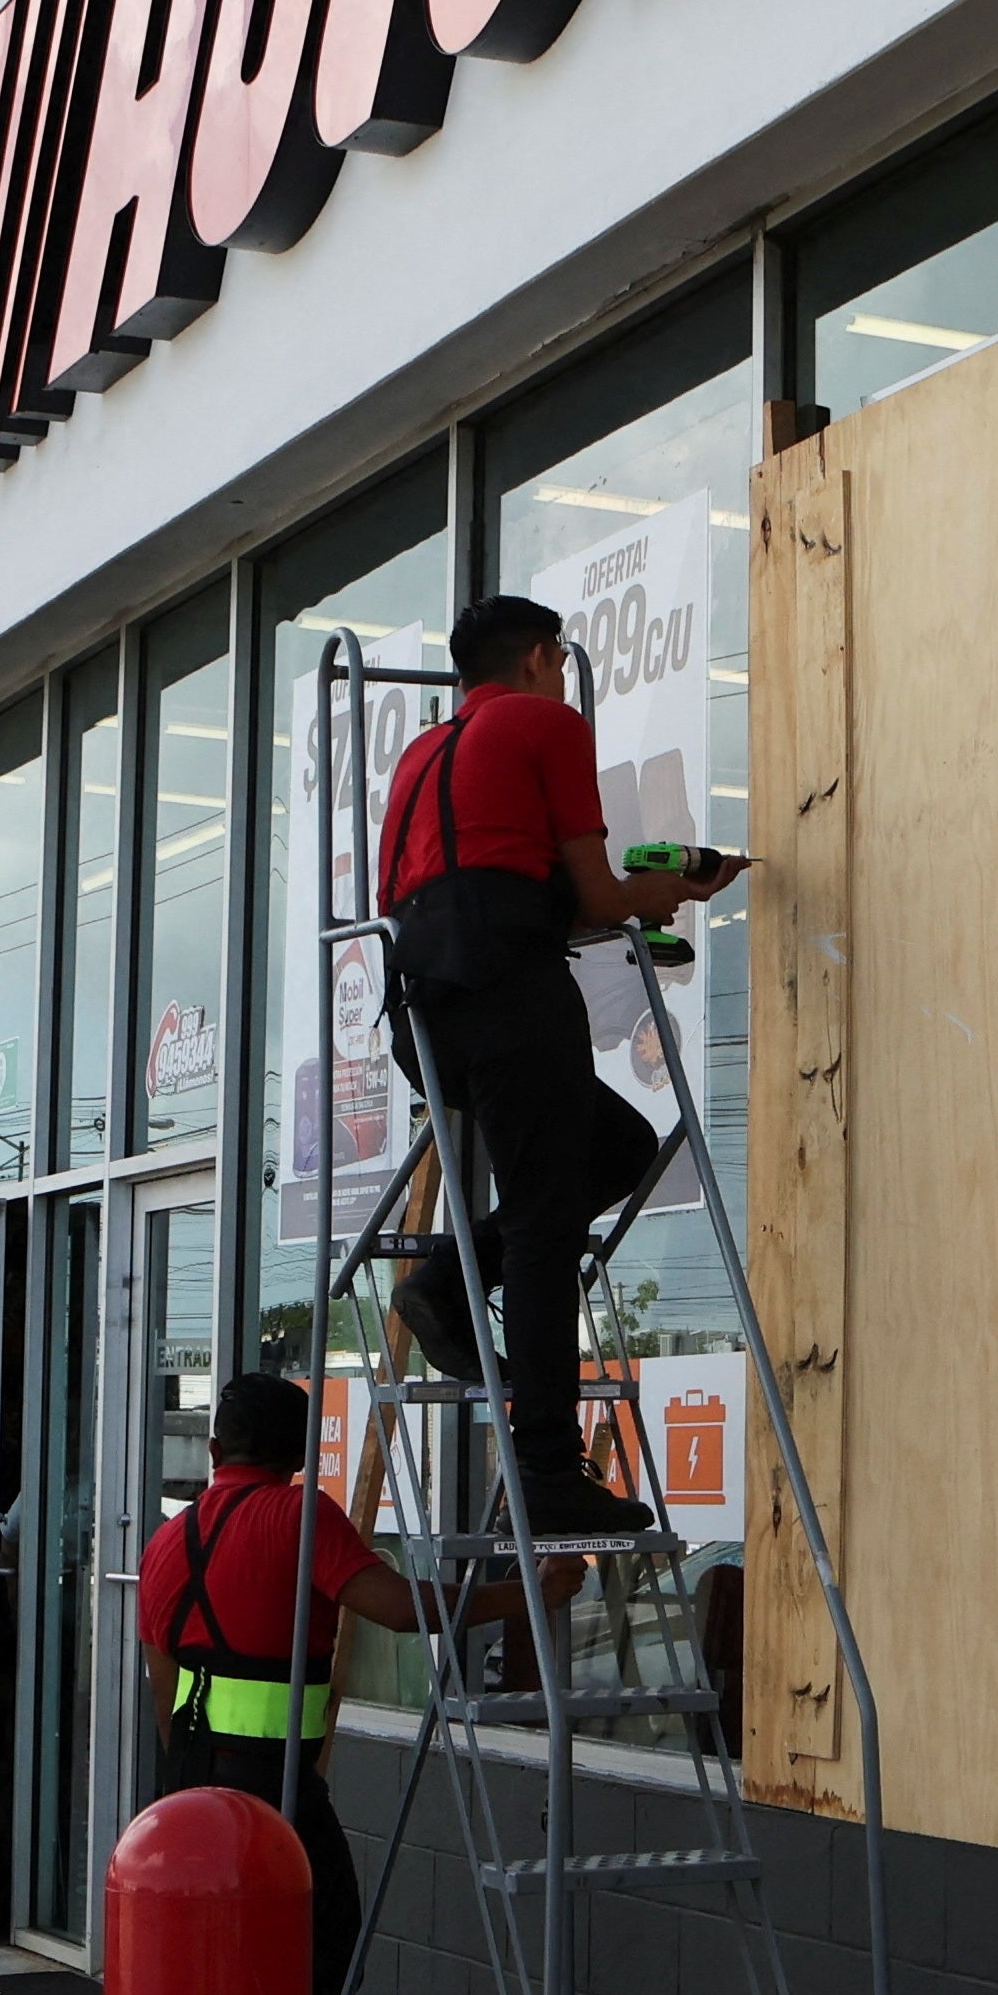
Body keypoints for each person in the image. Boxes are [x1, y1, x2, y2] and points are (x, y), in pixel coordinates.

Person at [374, 593, 740, 1534]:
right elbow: (598, 894)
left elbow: (470, 891)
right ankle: (543, 1466)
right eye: (562, 661)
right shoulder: (547, 722)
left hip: (426, 1018)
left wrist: (608, 905)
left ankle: (453, 1280)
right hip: (509, 997)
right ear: (541, 658)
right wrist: (668, 891)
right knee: (543, 1229)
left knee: (615, 1145)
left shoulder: (421, 758)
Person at [138, 1372, 560, 1995]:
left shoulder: (166, 1542)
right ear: (302, 1457)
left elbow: (163, 1690)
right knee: (321, 1959)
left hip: (190, 1785)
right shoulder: (299, 1515)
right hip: (275, 1789)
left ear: (215, 1453)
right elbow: (401, 1610)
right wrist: (531, 1594)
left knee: (218, 1961)